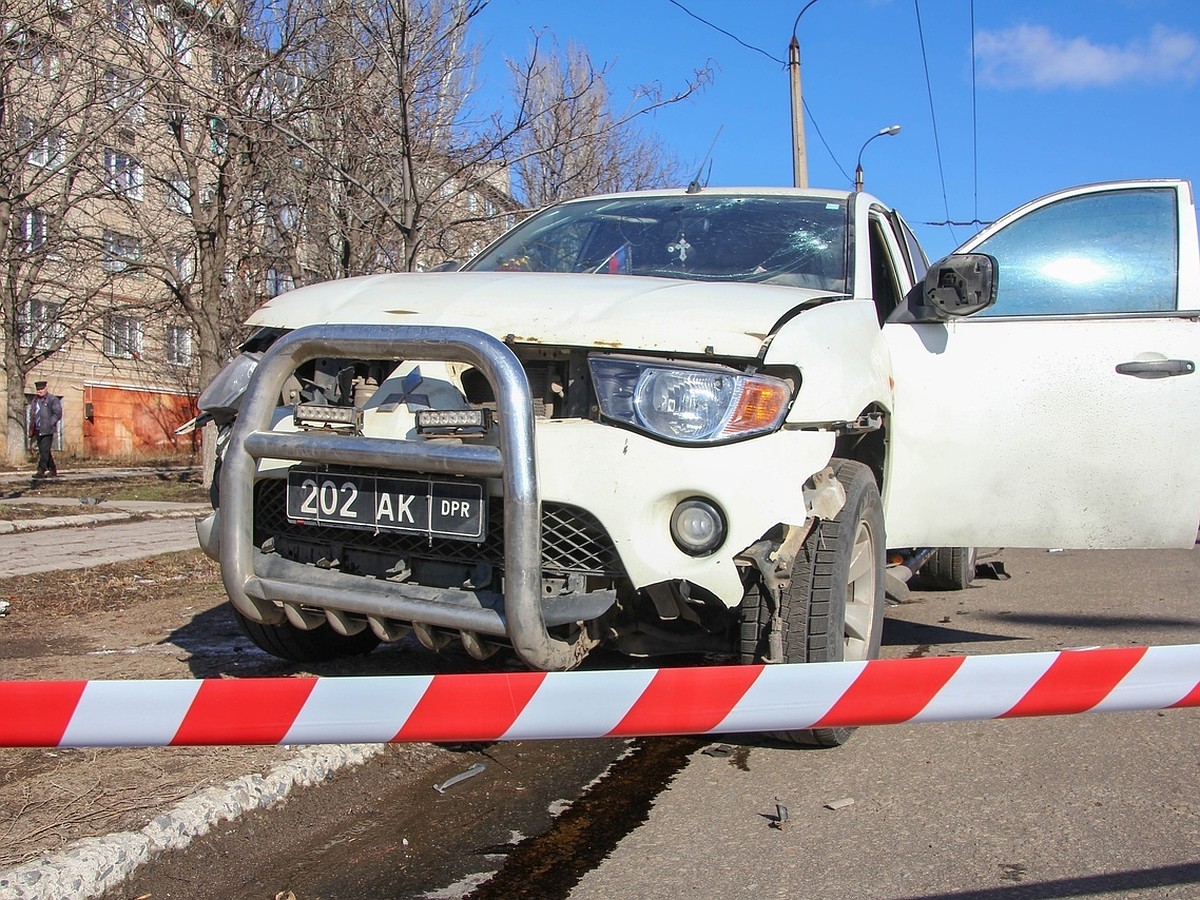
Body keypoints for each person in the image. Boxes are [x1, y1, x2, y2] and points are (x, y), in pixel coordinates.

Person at [29, 380, 62, 479]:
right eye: (38, 390)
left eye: (42, 389)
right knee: (45, 450)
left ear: (46, 388)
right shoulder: (35, 400)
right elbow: (33, 414)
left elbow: (58, 414)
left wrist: (50, 423)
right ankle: (53, 469)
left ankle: (41, 470)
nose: (40, 391)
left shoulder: (52, 399)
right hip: (37, 428)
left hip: (47, 429)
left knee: (44, 451)